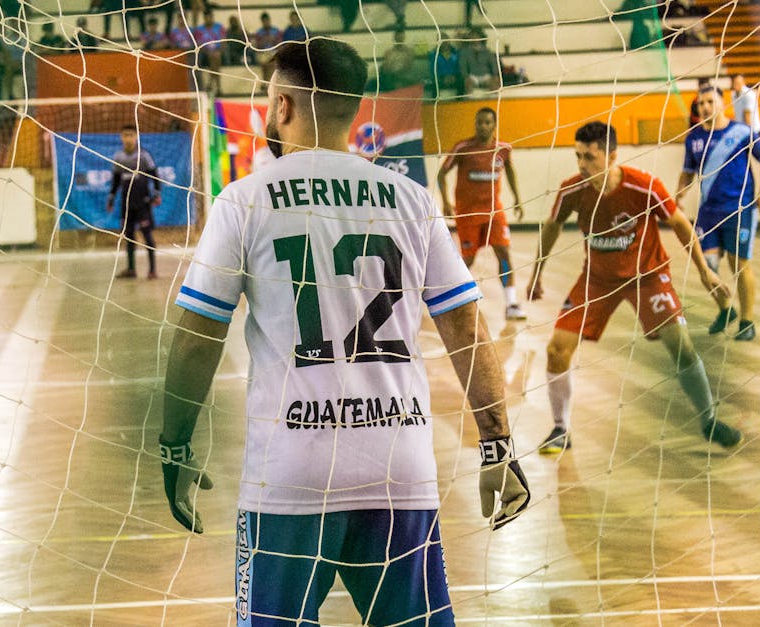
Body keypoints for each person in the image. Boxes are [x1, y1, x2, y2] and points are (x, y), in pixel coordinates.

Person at [159, 38, 529, 626]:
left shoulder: (244, 201)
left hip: (290, 475)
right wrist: (497, 442)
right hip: (396, 468)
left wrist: (174, 443)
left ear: (281, 106)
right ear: (352, 109)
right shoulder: (411, 199)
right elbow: (466, 327)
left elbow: (195, 337)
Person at [527, 121, 741, 454]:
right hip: (597, 280)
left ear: (612, 156)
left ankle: (709, 419)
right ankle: (559, 428)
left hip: (648, 276)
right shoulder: (571, 190)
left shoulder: (644, 186)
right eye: (578, 157)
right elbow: (552, 226)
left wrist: (704, 272)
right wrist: (537, 272)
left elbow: (680, 224)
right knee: (557, 349)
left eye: (590, 158)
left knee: (681, 346)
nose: (582, 165)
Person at [676, 85, 760, 341]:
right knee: (705, 266)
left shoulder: (742, 132)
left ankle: (747, 321)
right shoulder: (694, 138)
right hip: (708, 213)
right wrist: (678, 195)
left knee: (739, 265)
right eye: (701, 103)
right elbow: (688, 172)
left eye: (710, 101)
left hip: (739, 209)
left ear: (722, 103)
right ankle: (725, 309)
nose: (705, 107)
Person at [437, 107, 526, 319]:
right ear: (475, 124)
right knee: (467, 261)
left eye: (487, 122)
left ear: (494, 125)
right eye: (480, 122)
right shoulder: (463, 147)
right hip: (468, 214)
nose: (483, 126)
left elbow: (510, 169)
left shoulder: (503, 149)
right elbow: (442, 173)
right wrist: (446, 202)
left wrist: (517, 199)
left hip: (494, 212)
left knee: (503, 254)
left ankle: (511, 304)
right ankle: (455, 302)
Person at [106, 125, 162, 279]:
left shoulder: (143, 156)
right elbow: (116, 180)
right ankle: (131, 269)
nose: (129, 138)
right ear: (121, 137)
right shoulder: (119, 157)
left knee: (147, 236)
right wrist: (111, 198)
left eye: (131, 135)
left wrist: (157, 193)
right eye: (126, 135)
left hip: (142, 203)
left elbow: (154, 174)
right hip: (126, 204)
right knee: (129, 236)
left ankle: (152, 270)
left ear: (136, 137)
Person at [250, 12, 282, 81]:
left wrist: (273, 40)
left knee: (272, 62)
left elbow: (280, 44)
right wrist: (263, 41)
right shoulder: (259, 32)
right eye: (264, 21)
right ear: (262, 22)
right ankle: (266, 82)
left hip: (274, 51)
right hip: (263, 52)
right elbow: (257, 46)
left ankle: (269, 82)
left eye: (267, 20)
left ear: (269, 20)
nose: (266, 22)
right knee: (264, 62)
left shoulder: (276, 31)